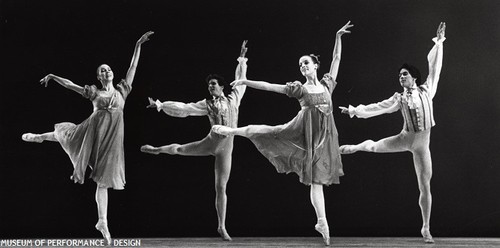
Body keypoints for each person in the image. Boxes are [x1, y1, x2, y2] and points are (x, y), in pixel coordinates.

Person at [211, 22, 352, 246]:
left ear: (315, 65)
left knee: (317, 183)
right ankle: (232, 130)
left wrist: (338, 37)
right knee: (265, 132)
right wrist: (246, 81)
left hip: (323, 141)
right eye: (300, 65)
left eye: (306, 63)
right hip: (300, 133)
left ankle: (322, 222)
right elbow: (270, 86)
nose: (302, 66)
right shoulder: (300, 89)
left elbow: (336, 60)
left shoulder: (327, 85)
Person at [21, 31, 154, 245]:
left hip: (112, 142)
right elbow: (70, 85)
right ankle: (39, 136)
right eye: (103, 70)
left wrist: (138, 44)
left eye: (109, 69)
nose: (107, 71)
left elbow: (133, 68)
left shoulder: (122, 91)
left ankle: (102, 222)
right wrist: (54, 77)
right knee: (68, 135)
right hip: (93, 132)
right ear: (99, 77)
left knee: (103, 181)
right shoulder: (95, 93)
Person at [338, 22, 446, 243]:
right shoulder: (399, 98)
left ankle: (425, 228)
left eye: (404, 74)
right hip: (404, 139)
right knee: (374, 146)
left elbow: (434, 67)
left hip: (422, 145)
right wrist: (354, 110)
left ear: (414, 76)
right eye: (399, 76)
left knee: (424, 185)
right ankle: (356, 147)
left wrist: (439, 42)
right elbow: (377, 107)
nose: (401, 77)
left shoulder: (427, 89)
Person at [140, 41, 249, 241]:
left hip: (226, 149)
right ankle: (156, 149)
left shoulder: (234, 98)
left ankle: (222, 226)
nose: (210, 87)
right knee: (180, 149)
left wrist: (241, 59)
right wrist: (160, 105)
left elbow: (241, 80)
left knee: (221, 187)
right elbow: (184, 108)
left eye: (213, 84)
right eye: (209, 85)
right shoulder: (206, 104)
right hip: (210, 142)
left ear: (222, 86)